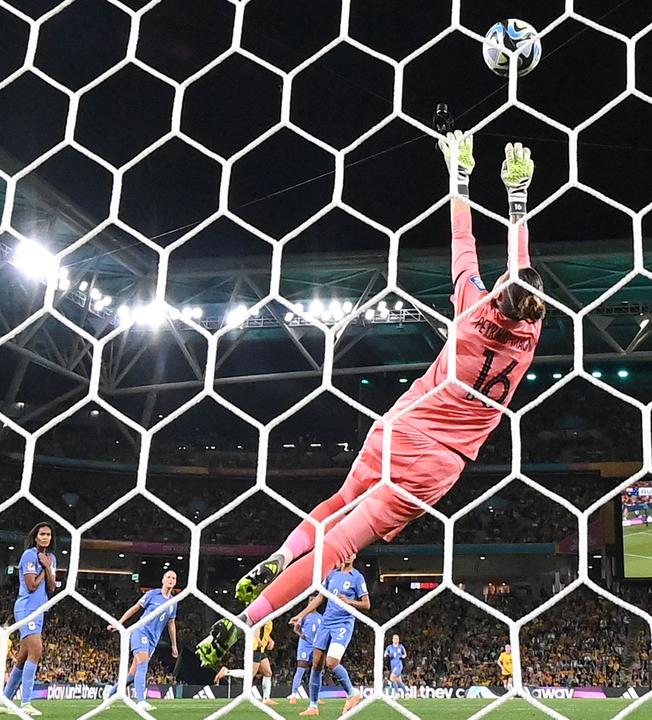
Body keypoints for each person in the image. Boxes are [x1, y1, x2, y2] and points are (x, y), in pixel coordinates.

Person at [197, 132, 545, 667]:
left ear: (497, 292)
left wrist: (473, 180)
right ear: (532, 311)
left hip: (401, 426)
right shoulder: (528, 341)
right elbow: (522, 277)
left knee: (336, 501)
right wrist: (518, 200)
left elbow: (466, 245)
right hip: (437, 466)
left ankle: (282, 552)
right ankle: (247, 621)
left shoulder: (472, 311)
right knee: (338, 548)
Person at [288, 554, 369, 717]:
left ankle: (352, 693)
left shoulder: (357, 578)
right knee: (317, 664)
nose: (348, 556)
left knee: (331, 662)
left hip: (343, 624)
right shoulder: (331, 574)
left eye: (351, 554)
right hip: (326, 623)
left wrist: (350, 601)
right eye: (346, 553)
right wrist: (302, 615)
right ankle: (313, 706)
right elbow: (320, 597)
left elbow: (366, 604)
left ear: (354, 556)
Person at [0, 522, 57, 716]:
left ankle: (4, 701)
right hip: (26, 607)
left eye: (48, 534)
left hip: (40, 609)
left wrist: (48, 567)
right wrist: (44, 569)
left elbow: (52, 587)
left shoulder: (52, 558)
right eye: (42, 534)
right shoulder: (29, 555)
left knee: (23, 657)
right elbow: (31, 586)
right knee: (36, 650)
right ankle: (26, 703)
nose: (45, 537)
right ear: (36, 536)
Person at [108, 569, 179, 711]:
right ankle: (141, 701)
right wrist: (119, 623)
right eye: (169, 577)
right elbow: (135, 608)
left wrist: (174, 645)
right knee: (143, 665)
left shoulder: (173, 602)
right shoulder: (152, 594)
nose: (171, 580)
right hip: (141, 632)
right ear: (163, 580)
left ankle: (109, 694)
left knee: (132, 675)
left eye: (174, 578)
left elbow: (171, 624)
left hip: (154, 639)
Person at [213, 620, 276, 704]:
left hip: (260, 649)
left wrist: (270, 640)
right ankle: (226, 672)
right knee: (250, 675)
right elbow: (256, 628)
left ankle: (266, 699)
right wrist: (258, 640)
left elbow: (265, 631)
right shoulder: (263, 616)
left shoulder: (268, 617)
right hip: (255, 648)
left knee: (268, 672)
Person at [289, 609, 323, 704]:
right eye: (310, 600)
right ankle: (294, 695)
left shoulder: (320, 617)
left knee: (317, 670)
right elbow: (295, 629)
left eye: (313, 600)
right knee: (300, 669)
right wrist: (301, 634)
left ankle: (316, 697)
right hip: (305, 645)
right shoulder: (304, 616)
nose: (311, 602)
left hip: (316, 645)